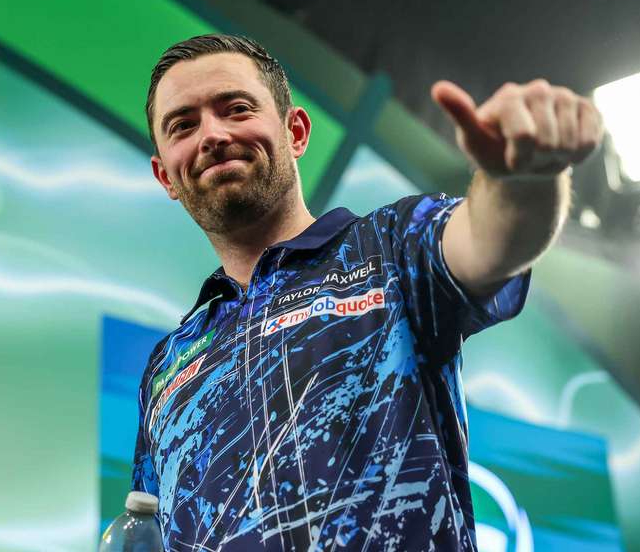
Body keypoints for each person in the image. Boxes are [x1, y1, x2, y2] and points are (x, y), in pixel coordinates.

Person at [131, 34, 602, 551]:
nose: (213, 135)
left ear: (295, 131)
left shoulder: (391, 246)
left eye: (236, 109)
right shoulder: (166, 367)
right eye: (183, 125)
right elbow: (149, 525)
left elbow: (491, 241)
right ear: (164, 176)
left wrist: (523, 179)